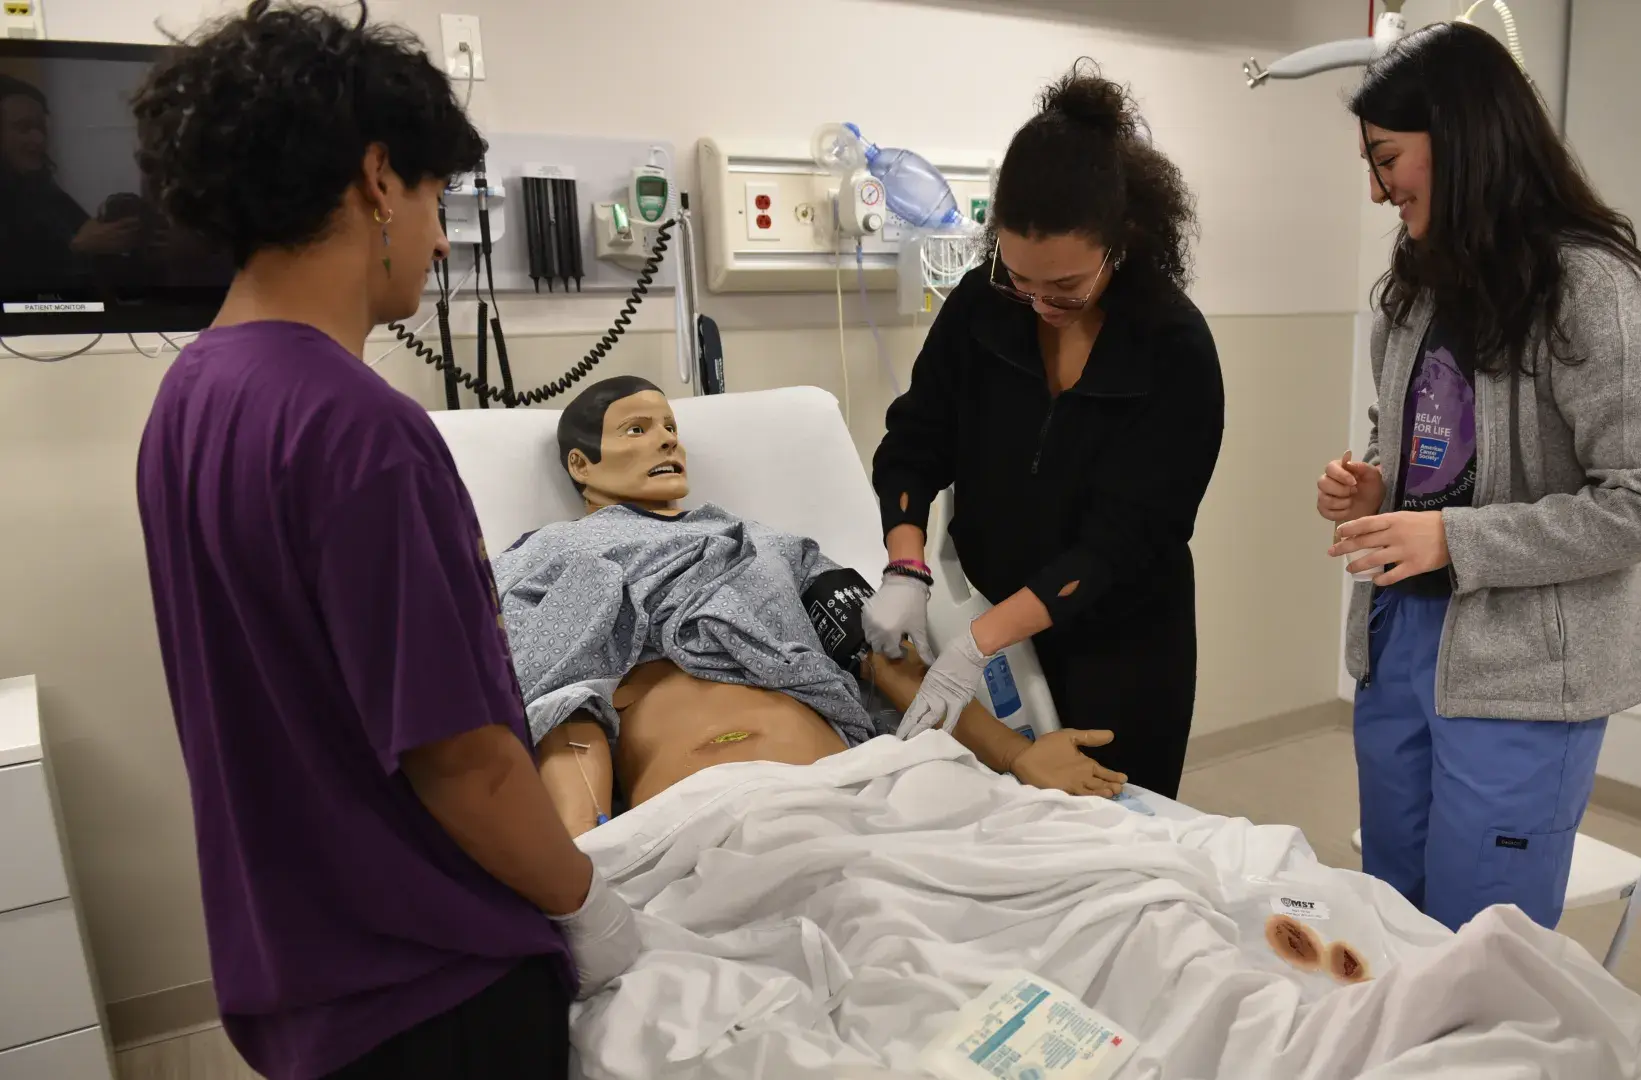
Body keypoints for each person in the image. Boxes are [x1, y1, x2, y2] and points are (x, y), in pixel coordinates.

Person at [131, 5, 637, 1078]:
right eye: (435, 197)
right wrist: (589, 905)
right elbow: (467, 766)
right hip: (433, 992)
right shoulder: (361, 432)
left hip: (302, 981)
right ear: (376, 182)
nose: (444, 237)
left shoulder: (190, 397)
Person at [1319, 22, 1641, 933]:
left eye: (1389, 159)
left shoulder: (1597, 293)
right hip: (1402, 639)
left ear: (1462, 138)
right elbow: (1413, 442)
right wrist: (1379, 489)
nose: (1377, 190)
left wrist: (1453, 538)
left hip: (1525, 670)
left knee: (1478, 947)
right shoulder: (1416, 284)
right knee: (1388, 920)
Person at [497, 377, 1130, 835]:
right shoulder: (551, 561)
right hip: (694, 826)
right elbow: (556, 699)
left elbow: (888, 663)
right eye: (637, 430)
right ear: (581, 464)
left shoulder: (771, 550)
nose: (667, 444)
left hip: (860, 800)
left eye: (671, 429)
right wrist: (588, 855)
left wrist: (1016, 755)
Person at [867, 63, 1224, 798]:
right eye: (1019, 278)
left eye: (1065, 286)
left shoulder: (1172, 348)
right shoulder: (980, 307)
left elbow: (1120, 544)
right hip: (989, 619)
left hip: (1118, 642)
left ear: (1122, 242)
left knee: (1114, 829)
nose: (1037, 303)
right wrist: (906, 565)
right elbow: (915, 440)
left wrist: (979, 642)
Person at [0, 73, 141, 294]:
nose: (38, 139)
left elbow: (90, 240)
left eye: (41, 129)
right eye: (24, 128)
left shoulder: (44, 191)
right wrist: (77, 248)